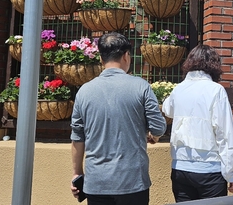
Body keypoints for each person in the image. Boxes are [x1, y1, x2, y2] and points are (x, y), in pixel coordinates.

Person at [70, 32, 167, 204]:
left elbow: (78, 137)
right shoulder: (141, 87)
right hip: (133, 181)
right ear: (126, 56)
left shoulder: (84, 91)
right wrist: (153, 135)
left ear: (101, 58)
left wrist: (77, 173)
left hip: (96, 182)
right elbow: (159, 127)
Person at [161, 45, 233, 202]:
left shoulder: (179, 89)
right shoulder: (215, 90)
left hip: (180, 168)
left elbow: (167, 109)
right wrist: (231, 174)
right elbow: (225, 135)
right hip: (209, 170)